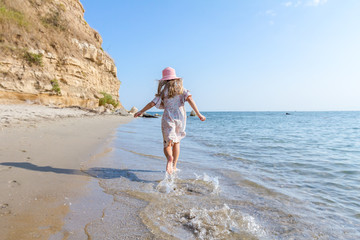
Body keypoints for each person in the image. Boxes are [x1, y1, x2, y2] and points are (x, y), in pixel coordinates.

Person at [134, 67, 206, 174]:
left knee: (167, 144)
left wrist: (141, 111)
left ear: (164, 80)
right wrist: (199, 114)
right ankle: (174, 166)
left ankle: (169, 158)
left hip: (168, 118)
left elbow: (152, 104)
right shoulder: (182, 90)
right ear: (176, 79)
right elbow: (190, 99)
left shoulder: (163, 92)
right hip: (181, 119)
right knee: (177, 142)